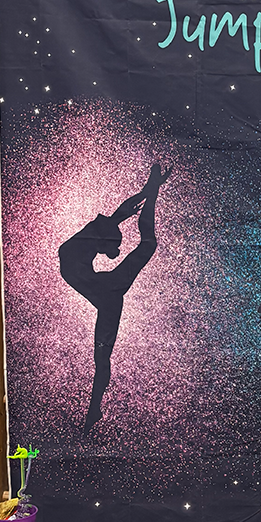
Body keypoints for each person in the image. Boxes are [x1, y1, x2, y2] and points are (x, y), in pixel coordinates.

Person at [58, 163, 169, 432]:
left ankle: (93, 408)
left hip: (105, 291)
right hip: (106, 291)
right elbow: (122, 212)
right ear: (104, 242)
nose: (116, 251)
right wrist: (151, 190)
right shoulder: (87, 239)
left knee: (102, 359)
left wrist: (149, 188)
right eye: (115, 247)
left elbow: (123, 210)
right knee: (148, 244)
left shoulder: (94, 234)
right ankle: (94, 408)